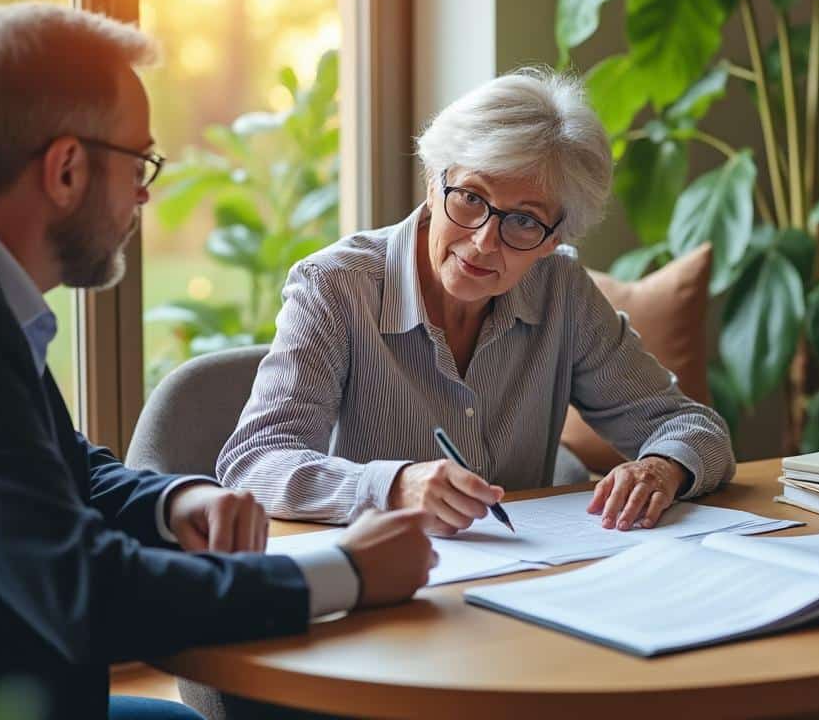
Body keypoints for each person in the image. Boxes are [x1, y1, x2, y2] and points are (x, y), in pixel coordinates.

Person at [0, 3, 434, 720]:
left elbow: (48, 460)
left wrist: (171, 502)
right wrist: (345, 573)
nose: (144, 193)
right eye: (139, 162)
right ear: (66, 168)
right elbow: (86, 592)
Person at [217, 68, 736, 537]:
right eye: (470, 198)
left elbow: (694, 428)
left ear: (554, 237)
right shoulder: (335, 286)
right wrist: (393, 486)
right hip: (382, 588)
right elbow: (255, 463)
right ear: (432, 181)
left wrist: (661, 469)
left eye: (524, 220)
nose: (485, 241)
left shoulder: (562, 290)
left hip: (525, 579)